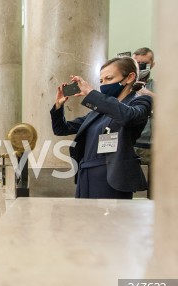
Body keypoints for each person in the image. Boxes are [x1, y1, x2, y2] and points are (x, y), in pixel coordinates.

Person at [50, 56, 152, 199]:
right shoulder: (98, 110)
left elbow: (128, 116)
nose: (104, 84)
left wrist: (92, 94)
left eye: (109, 78)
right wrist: (58, 106)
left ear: (129, 78)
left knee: (107, 221)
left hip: (113, 176)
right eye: (101, 81)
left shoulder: (140, 101)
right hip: (86, 174)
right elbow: (62, 129)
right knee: (84, 220)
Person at [132, 47, 155, 165]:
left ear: (152, 64)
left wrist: (148, 94)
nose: (140, 67)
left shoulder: (158, 86)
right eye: (137, 63)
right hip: (128, 144)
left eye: (144, 64)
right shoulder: (122, 86)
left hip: (151, 146)